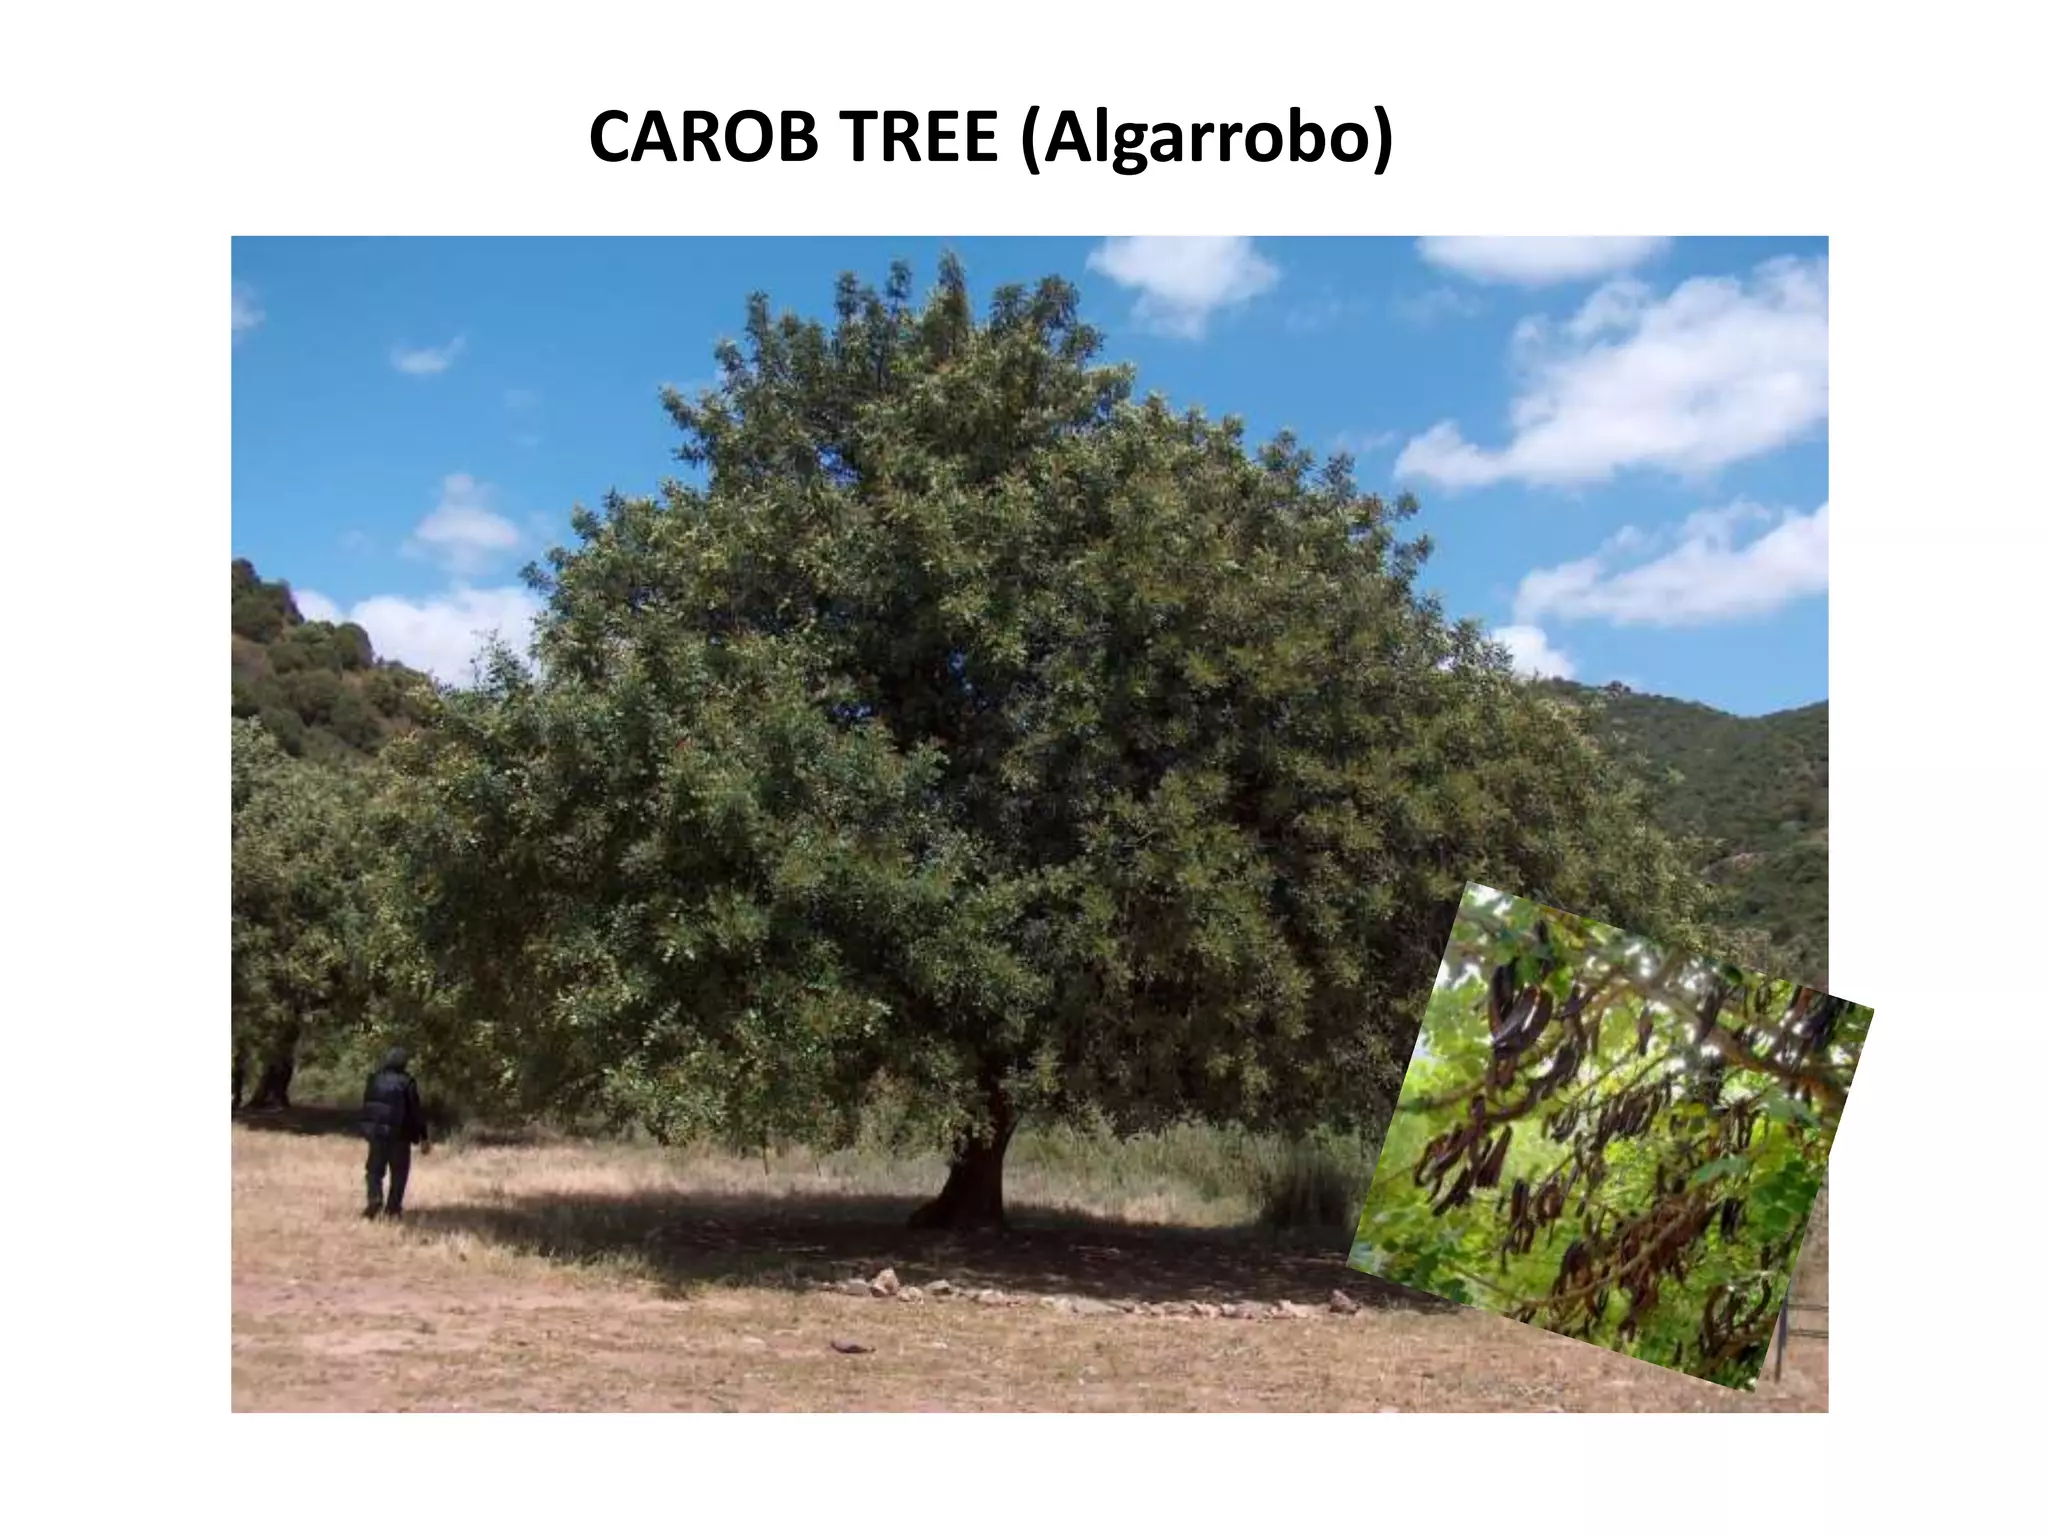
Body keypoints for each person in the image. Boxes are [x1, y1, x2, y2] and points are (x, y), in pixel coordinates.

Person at [359, 1046, 430, 1218]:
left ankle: (374, 1198)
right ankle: (393, 1209)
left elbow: (368, 1105)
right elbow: (415, 1111)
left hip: (377, 1133)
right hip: (400, 1135)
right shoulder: (407, 1082)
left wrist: (367, 1129)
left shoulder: (374, 1079)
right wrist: (424, 1136)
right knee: (399, 1173)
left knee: (374, 1170)